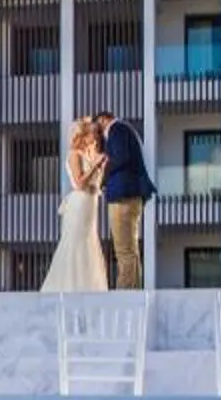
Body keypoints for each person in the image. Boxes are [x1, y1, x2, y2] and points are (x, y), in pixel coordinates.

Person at [39, 114, 109, 292]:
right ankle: (69, 287)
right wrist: (95, 166)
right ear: (84, 135)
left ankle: (88, 288)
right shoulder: (74, 155)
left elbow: (96, 183)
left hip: (91, 205)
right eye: (93, 133)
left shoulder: (90, 154)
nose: (96, 137)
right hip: (80, 203)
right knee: (76, 242)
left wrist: (100, 166)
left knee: (89, 243)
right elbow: (79, 182)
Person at [96, 112, 153, 290]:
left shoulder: (117, 130)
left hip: (123, 196)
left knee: (124, 250)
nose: (99, 134)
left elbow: (120, 158)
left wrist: (103, 175)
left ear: (104, 120)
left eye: (99, 127)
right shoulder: (126, 130)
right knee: (131, 248)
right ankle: (133, 288)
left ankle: (125, 291)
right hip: (131, 195)